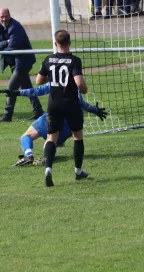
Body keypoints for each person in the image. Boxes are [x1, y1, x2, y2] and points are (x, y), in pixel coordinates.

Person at [0, 83, 107, 167]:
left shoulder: (54, 81)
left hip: (53, 117)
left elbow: (37, 90)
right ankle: (48, 156)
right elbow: (81, 103)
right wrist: (95, 110)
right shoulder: (74, 82)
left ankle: (28, 155)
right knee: (49, 145)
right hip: (71, 124)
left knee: (26, 136)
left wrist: (16, 93)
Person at [37, 29, 89, 187]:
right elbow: (79, 83)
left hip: (54, 104)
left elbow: (39, 81)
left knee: (51, 137)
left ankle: (48, 170)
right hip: (71, 103)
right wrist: (84, 89)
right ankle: (78, 171)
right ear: (69, 43)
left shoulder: (48, 59)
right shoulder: (74, 61)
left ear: (55, 43)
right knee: (77, 136)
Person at [0, 8, 43, 122]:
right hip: (13, 62)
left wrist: (4, 46)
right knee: (27, 87)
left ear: (10, 15)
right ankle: (38, 111)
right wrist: (6, 42)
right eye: (2, 17)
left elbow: (14, 46)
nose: (4, 19)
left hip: (23, 61)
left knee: (11, 87)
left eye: (6, 16)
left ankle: (7, 114)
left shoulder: (16, 26)